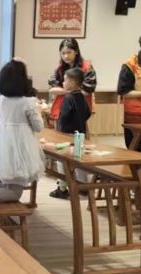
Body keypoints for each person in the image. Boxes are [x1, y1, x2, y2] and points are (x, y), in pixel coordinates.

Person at [0, 59, 44, 207]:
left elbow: (1, 121)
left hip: (3, 146)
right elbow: (38, 127)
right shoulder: (27, 102)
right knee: (15, 192)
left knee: (7, 183)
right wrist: (38, 110)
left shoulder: (1, 100)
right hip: (21, 147)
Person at [50, 68, 92, 199]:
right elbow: (88, 113)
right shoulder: (82, 96)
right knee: (79, 159)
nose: (63, 83)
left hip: (66, 135)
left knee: (62, 161)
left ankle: (62, 189)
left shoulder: (68, 97)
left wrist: (59, 130)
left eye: (65, 80)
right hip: (80, 134)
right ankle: (83, 187)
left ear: (72, 83)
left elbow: (64, 116)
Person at [48, 38, 96, 123]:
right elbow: (52, 89)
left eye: (69, 52)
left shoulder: (87, 67)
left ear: (76, 51)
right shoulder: (60, 68)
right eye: (63, 53)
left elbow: (87, 90)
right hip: (62, 107)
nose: (66, 56)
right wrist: (72, 91)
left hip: (79, 106)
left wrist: (63, 91)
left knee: (79, 129)